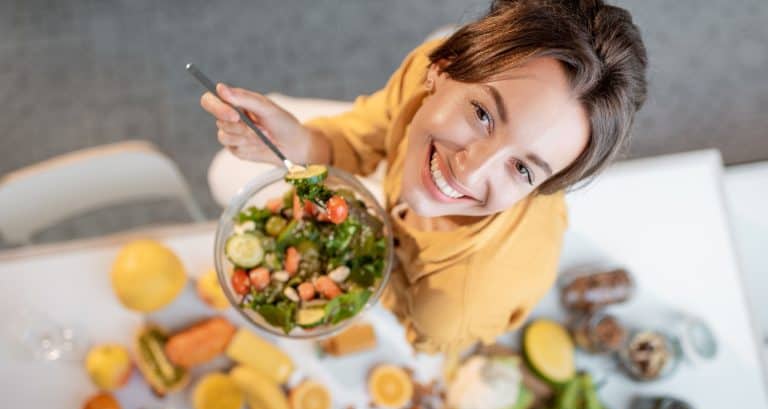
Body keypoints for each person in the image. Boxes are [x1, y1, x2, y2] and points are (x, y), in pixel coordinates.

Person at [200, 0, 648, 358]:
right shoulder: (422, 72)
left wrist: (369, 269)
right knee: (226, 170)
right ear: (443, 65)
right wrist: (299, 143)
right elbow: (365, 135)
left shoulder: (450, 307)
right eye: (483, 114)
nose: (471, 169)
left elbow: (420, 334)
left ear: (541, 189)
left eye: (524, 168)